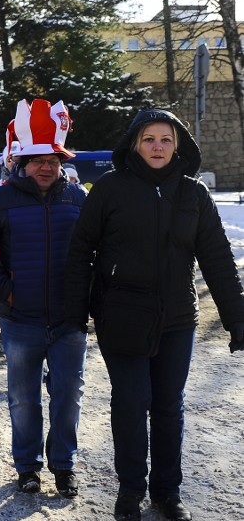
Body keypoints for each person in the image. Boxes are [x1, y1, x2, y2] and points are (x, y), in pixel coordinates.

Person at [64, 109, 244, 521]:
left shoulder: (193, 194)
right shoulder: (110, 189)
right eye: (149, 139)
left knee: (167, 406)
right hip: (122, 316)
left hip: (178, 319)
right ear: (134, 144)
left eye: (166, 139)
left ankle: (167, 492)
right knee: (131, 402)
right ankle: (129, 491)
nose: (157, 146)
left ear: (178, 144)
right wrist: (75, 315)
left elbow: (217, 257)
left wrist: (237, 317)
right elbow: (81, 253)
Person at [0, 99, 88, 498]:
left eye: (52, 159)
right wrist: (6, 289)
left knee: (68, 396)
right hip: (21, 319)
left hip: (70, 321)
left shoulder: (77, 199)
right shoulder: (1, 200)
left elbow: (98, 248)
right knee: (23, 400)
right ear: (21, 162)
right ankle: (28, 467)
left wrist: (87, 295)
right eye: (36, 159)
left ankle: (63, 465)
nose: (45, 166)